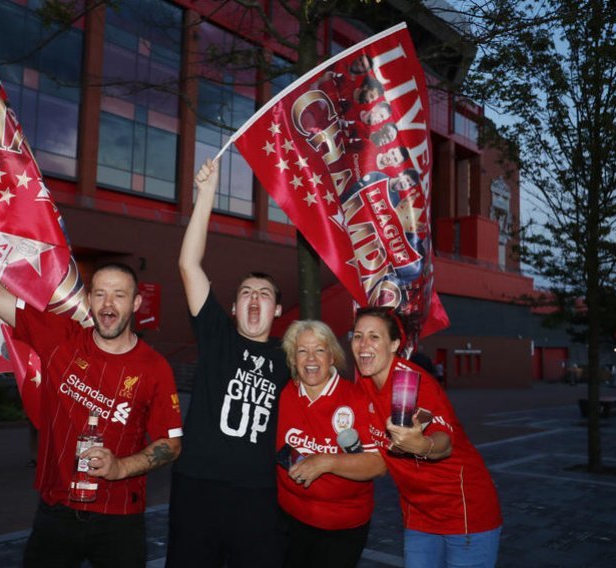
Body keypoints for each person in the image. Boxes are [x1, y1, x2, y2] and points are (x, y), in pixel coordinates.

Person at [0, 209, 183, 567]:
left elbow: (170, 444)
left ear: (135, 304)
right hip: (55, 514)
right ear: (89, 300)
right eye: (99, 294)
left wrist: (120, 467)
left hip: (121, 520)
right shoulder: (61, 338)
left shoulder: (155, 367)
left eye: (119, 295)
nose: (107, 304)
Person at [166, 158, 290, 567]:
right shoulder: (217, 336)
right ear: (234, 307)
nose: (255, 299)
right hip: (197, 486)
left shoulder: (290, 357)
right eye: (246, 294)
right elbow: (188, 265)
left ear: (277, 310)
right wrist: (206, 196)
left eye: (265, 294)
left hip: (258, 494)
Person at [351, 307, 502, 568]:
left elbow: (443, 442)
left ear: (395, 344)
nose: (363, 344)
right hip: (418, 514)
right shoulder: (363, 384)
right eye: (357, 336)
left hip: (464, 513)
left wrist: (423, 445)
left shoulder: (412, 384)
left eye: (374, 337)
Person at [277, 320, 386, 568]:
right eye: (302, 351)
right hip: (289, 519)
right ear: (293, 360)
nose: (311, 358)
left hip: (341, 527)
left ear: (332, 357)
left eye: (319, 350)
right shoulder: (285, 394)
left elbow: (378, 464)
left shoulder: (356, 399)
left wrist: (326, 462)